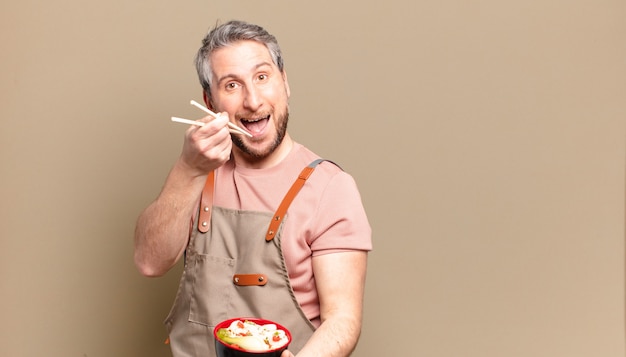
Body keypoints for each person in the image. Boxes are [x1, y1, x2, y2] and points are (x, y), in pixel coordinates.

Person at [134, 20, 372, 357]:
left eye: (262, 77)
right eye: (232, 85)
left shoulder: (331, 188)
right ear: (209, 101)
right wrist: (187, 170)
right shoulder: (196, 172)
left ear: (285, 82)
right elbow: (149, 261)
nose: (253, 100)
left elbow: (343, 319)